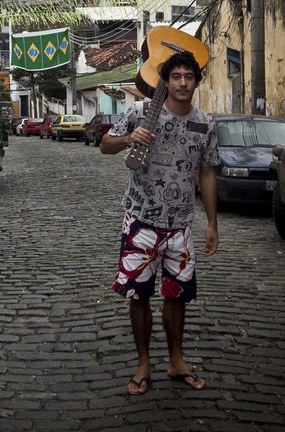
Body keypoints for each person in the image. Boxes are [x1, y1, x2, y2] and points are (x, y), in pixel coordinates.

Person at [100, 50, 219, 396]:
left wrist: (212, 222)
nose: (183, 82)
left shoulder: (206, 123)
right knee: (138, 295)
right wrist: (127, 139)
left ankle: (176, 360)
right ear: (165, 81)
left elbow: (208, 173)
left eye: (189, 76)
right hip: (140, 222)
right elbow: (105, 145)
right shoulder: (140, 112)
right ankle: (143, 363)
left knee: (177, 297)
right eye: (176, 76)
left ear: (197, 81)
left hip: (181, 226)